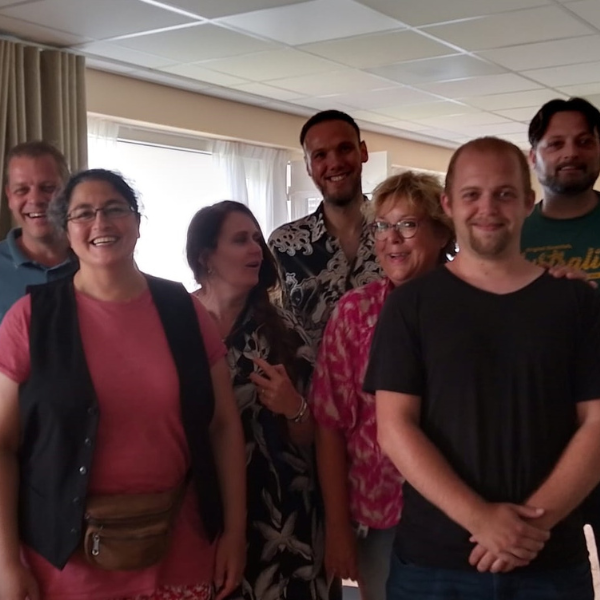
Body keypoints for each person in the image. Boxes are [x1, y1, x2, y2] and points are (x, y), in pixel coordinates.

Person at [366, 137, 600, 600]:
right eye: (472, 194)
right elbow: (394, 428)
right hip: (433, 566)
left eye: (504, 194)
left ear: (528, 203)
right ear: (449, 205)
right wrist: (482, 520)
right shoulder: (410, 307)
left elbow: (596, 424)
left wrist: (527, 529)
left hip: (549, 560)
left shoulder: (577, 303)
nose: (487, 208)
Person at [0, 169, 246, 600]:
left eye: (115, 209)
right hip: (64, 563)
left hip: (180, 546)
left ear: (137, 222)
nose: (101, 223)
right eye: (83, 213)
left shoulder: (184, 310)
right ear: (66, 231)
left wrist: (235, 532)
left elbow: (223, 427)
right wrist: (5, 562)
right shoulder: (30, 319)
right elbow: (3, 445)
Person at [310, 171, 455, 600]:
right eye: (381, 226)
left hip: (462, 513)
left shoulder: (473, 308)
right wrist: (338, 527)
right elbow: (329, 424)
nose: (392, 238)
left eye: (407, 224)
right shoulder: (354, 313)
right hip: (381, 520)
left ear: (442, 233)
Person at [186, 201, 332, 600]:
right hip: (198, 511)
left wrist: (294, 407)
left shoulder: (286, 331)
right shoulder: (176, 322)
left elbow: (318, 436)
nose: (256, 248)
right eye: (240, 240)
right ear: (206, 256)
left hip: (282, 516)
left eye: (256, 238)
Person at [268, 110, 382, 350]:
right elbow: (273, 325)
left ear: (363, 152)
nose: (335, 163)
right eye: (320, 155)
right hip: (308, 376)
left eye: (344, 149)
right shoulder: (284, 245)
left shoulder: (396, 235)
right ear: (308, 166)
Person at [522, 97, 600, 280]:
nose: (571, 153)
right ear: (533, 158)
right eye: (556, 144)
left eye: (584, 142)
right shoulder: (511, 234)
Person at [0, 140, 76, 323]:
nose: (35, 199)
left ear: (69, 192)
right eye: (22, 190)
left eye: (48, 188)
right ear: (9, 196)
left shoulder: (100, 261)